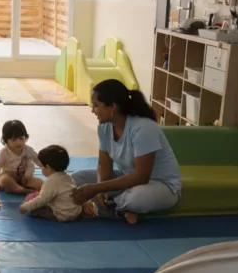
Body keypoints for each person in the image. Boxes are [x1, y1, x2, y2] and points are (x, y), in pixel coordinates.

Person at [71, 79, 181, 224]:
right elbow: (103, 164)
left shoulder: (143, 129)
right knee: (76, 178)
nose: (92, 111)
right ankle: (119, 207)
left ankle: (107, 208)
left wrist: (97, 188)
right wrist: (100, 188)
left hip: (161, 186)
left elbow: (141, 177)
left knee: (137, 198)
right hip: (128, 179)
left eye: (96, 106)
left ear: (112, 107)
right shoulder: (104, 127)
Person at [19, 145, 82, 222]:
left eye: (42, 166)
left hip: (62, 215)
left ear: (48, 168)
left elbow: (42, 200)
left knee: (34, 210)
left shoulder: (51, 181)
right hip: (76, 212)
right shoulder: (68, 176)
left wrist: (25, 207)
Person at [0, 120, 43, 194]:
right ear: (6, 141)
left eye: (21, 138)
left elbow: (38, 159)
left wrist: (47, 167)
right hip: (8, 175)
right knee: (5, 180)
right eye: (14, 140)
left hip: (25, 177)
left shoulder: (28, 149)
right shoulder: (4, 152)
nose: (18, 142)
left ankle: (15, 188)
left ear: (26, 137)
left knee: (41, 183)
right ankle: (20, 190)